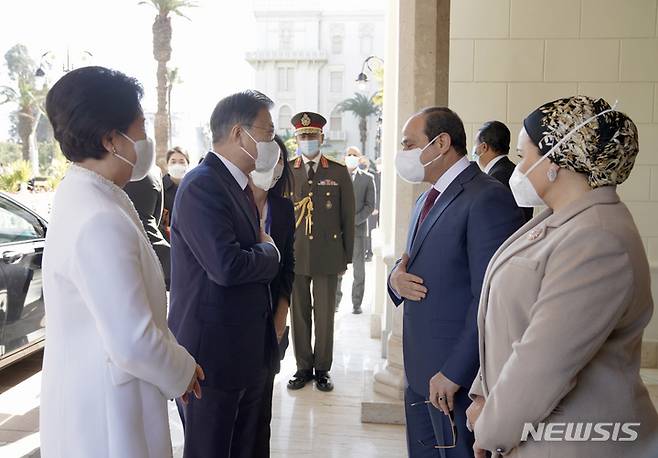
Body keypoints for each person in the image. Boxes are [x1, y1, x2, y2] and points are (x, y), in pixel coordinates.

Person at [467, 96, 658, 458]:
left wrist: (491, 430)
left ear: (556, 161)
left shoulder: (597, 238)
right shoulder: (561, 218)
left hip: (573, 440)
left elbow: (543, 363)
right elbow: (512, 320)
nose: (519, 168)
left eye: (524, 156)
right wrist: (483, 392)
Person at [40, 66, 202, 458]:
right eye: (140, 126)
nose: (145, 139)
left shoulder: (90, 194)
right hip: (107, 414)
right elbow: (133, 340)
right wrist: (183, 370)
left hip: (98, 391)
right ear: (111, 139)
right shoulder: (99, 217)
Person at [388, 107, 525, 458]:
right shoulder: (425, 198)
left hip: (454, 380)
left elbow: (490, 297)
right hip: (420, 372)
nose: (403, 153)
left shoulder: (487, 197)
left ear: (441, 143)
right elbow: (409, 263)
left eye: (409, 144)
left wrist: (454, 371)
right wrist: (394, 279)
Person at [168, 90, 281, 458]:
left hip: (248, 354)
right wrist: (270, 252)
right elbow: (227, 266)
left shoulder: (238, 186)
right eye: (266, 134)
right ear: (238, 133)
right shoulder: (203, 184)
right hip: (213, 361)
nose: (272, 144)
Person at [287, 111, 355, 392]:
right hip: (295, 254)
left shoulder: (337, 172)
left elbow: (347, 217)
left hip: (328, 254)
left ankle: (322, 368)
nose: (308, 140)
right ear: (296, 139)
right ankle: (303, 367)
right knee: (299, 314)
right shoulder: (287, 171)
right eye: (303, 136)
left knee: (325, 315)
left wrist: (346, 256)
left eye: (312, 136)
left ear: (321, 138)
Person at [251, 135, 296, 458]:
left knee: (260, 414)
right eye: (271, 158)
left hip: (271, 316)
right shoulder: (231, 199)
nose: (276, 167)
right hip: (237, 318)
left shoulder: (282, 208)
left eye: (281, 161)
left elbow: (288, 265)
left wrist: (281, 312)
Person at [336, 146, 376, 314]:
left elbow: (370, 206)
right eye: (349, 155)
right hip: (338, 232)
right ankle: (335, 302)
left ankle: (356, 303)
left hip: (358, 232)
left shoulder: (368, 179)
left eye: (355, 155)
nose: (351, 157)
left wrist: (353, 221)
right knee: (337, 269)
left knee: (359, 271)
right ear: (344, 157)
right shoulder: (337, 177)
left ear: (360, 158)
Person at [473, 120, 534, 222]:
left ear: (484, 147)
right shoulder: (512, 170)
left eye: (476, 144)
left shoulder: (495, 179)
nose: (474, 150)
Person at [124, 166, 171, 289]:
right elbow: (157, 217)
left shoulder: (111, 170)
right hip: (158, 254)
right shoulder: (154, 171)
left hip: (124, 254)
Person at [161, 146, 191, 241]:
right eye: (173, 161)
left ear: (188, 164)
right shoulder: (160, 188)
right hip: (167, 241)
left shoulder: (194, 187)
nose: (177, 165)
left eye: (182, 161)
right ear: (167, 165)